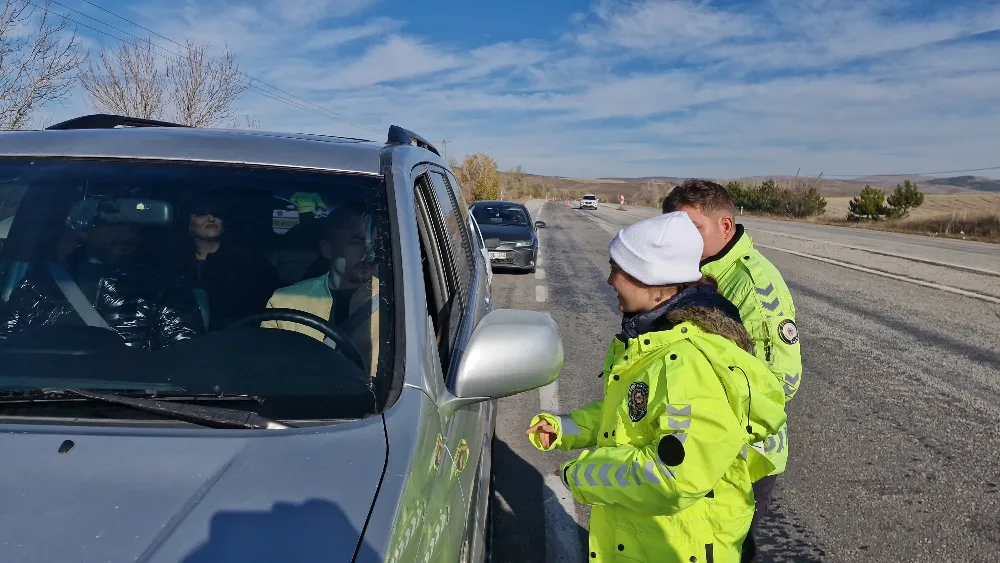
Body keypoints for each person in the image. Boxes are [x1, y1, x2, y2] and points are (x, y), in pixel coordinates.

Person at [526, 212, 787, 563]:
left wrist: (581, 474)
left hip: (678, 547)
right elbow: (626, 415)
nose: (609, 280)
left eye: (617, 270)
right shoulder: (657, 340)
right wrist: (563, 428)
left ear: (652, 281)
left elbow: (671, 476)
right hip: (642, 540)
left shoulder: (690, 362)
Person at [662, 179, 802, 558]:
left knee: (727, 548)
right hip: (701, 447)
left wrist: (717, 431)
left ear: (725, 226)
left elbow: (780, 382)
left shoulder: (753, 286)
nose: (683, 241)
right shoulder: (693, 267)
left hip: (743, 456)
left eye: (693, 230)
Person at [0, 217, 204, 351]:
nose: (127, 235)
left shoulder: (164, 287)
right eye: (115, 224)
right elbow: (6, 345)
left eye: (133, 226)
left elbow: (183, 357)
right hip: (35, 397)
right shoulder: (42, 282)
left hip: (134, 401)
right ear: (84, 230)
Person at [261, 203, 379, 377]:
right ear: (327, 249)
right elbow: (268, 371)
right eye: (357, 242)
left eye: (372, 244)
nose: (368, 253)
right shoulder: (285, 301)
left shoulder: (398, 301)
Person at [170, 195, 279, 330]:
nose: (211, 219)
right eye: (201, 214)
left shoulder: (251, 263)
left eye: (217, 214)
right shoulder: (172, 263)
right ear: (187, 224)